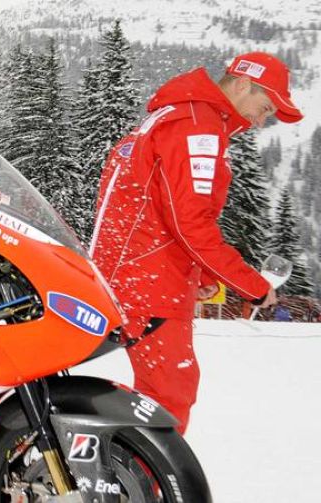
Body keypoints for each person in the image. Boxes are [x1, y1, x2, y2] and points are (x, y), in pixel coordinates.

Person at [90, 52, 300, 434]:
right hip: (149, 283)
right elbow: (190, 223)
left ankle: (123, 464)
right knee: (167, 396)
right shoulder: (197, 126)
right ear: (243, 84)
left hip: (138, 272)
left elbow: (158, 206)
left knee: (163, 393)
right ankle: (136, 472)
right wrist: (252, 285)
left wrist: (201, 273)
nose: (262, 120)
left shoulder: (179, 115)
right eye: (265, 107)